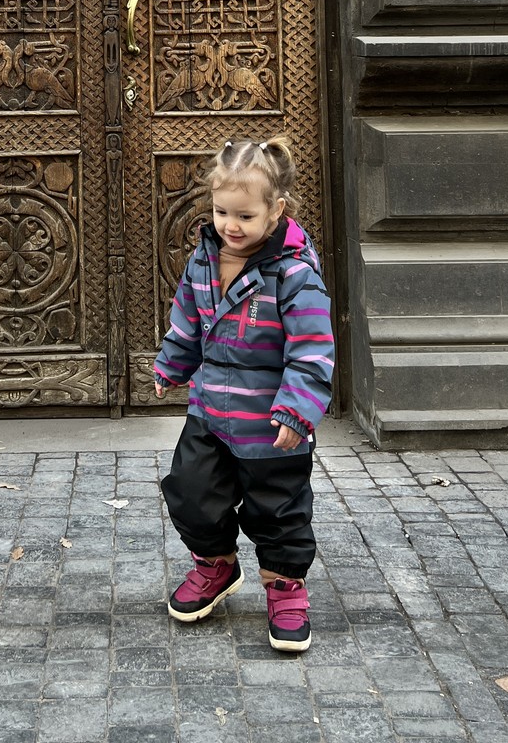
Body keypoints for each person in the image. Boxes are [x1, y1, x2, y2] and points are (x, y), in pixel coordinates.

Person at [153, 136, 334, 653]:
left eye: (245, 216)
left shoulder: (294, 275)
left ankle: (285, 588)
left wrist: (297, 411)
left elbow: (312, 350)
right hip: (210, 411)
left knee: (278, 511)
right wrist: (172, 364)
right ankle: (216, 564)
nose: (230, 225)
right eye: (221, 212)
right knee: (191, 492)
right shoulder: (203, 261)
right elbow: (187, 322)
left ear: (276, 211)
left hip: (272, 425)